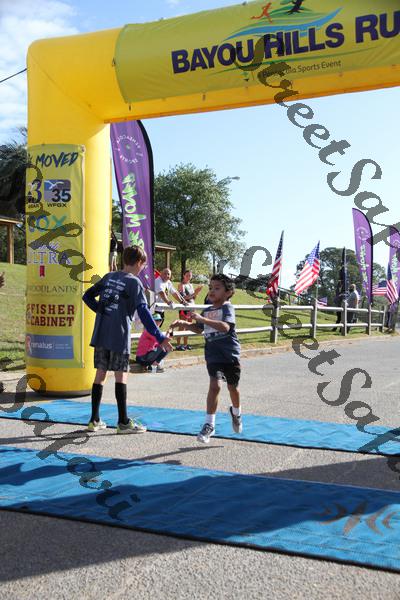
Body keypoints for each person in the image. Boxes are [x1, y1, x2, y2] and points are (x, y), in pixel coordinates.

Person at [82, 245, 173, 433]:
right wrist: (159, 336)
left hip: (101, 333)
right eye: (143, 265)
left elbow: (87, 296)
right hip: (119, 335)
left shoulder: (109, 277)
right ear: (139, 262)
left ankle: (94, 420)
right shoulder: (134, 282)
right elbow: (143, 311)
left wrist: (100, 310)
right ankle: (123, 422)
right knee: (121, 375)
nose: (143, 268)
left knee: (100, 374)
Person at [171, 274, 242, 444]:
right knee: (215, 386)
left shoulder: (227, 308)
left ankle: (236, 413)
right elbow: (199, 328)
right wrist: (184, 324)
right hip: (213, 355)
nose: (212, 291)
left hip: (230, 355)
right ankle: (210, 424)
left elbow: (225, 327)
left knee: (233, 388)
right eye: (210, 287)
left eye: (217, 288)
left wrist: (203, 319)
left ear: (228, 292)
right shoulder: (207, 310)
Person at [175, 270, 203, 351]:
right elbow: (183, 298)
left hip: (191, 307)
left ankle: (185, 344)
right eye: (187, 275)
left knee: (189, 326)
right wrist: (195, 293)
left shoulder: (191, 285)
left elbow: (193, 298)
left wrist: (197, 292)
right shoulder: (181, 285)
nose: (188, 277)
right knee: (182, 325)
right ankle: (178, 345)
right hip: (184, 308)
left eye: (190, 275)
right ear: (183, 275)